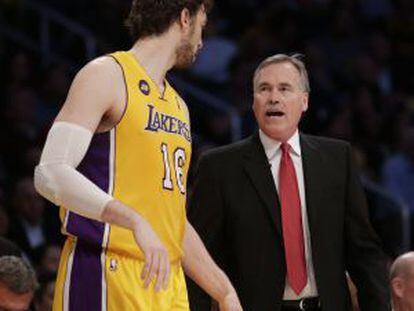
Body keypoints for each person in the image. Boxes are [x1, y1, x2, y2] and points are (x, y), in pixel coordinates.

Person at [33, 1, 242, 310]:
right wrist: (133, 220)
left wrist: (223, 290)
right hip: (107, 268)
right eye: (202, 24)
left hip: (166, 283)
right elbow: (49, 173)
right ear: (185, 18)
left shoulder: (178, 106)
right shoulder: (106, 75)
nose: (202, 40)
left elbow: (172, 220)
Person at [187, 54, 390, 311]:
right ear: (253, 103)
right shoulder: (219, 167)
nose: (273, 97)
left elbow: (364, 252)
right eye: (264, 89)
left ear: (304, 101)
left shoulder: (338, 159)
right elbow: (197, 258)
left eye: (284, 88)